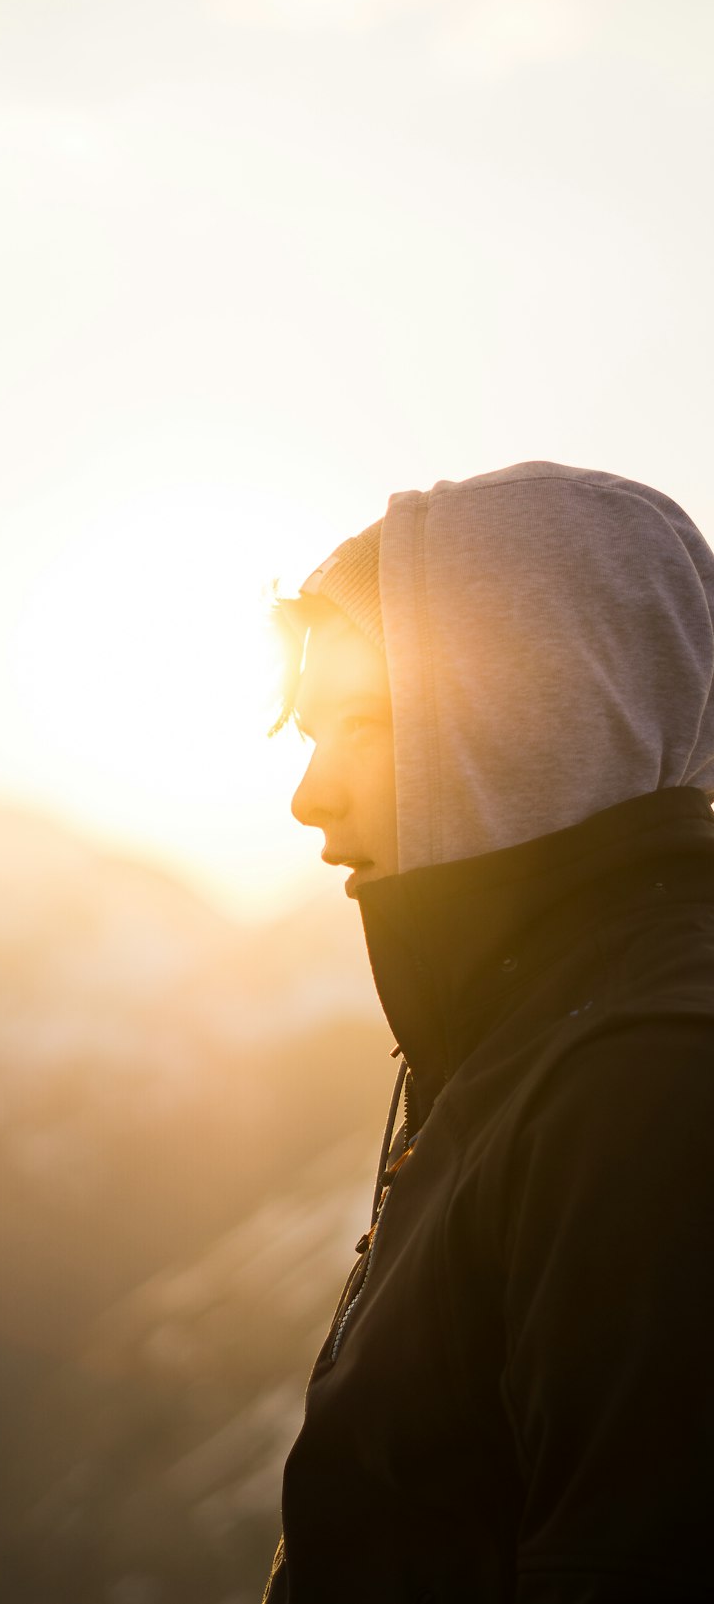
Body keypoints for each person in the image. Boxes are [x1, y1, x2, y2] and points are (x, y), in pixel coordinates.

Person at [262, 460, 714, 1603]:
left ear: (543, 719)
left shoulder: (639, 1081)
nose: (309, 795)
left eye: (364, 724)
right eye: (308, 733)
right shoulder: (533, 1030)